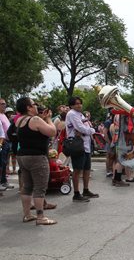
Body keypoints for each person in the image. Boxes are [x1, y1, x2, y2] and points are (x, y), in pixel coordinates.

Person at [15, 97, 57, 225]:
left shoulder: (19, 120)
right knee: (40, 188)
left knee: (27, 187)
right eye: (34, 104)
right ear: (28, 107)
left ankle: (27, 215)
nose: (36, 106)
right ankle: (41, 217)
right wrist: (49, 118)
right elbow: (52, 132)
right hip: (37, 157)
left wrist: (42, 118)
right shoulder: (35, 120)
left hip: (22, 156)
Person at [65, 96, 99, 202]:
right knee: (77, 170)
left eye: (80, 103)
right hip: (77, 145)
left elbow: (86, 126)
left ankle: (86, 190)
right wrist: (91, 130)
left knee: (87, 169)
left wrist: (87, 129)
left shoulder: (80, 114)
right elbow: (80, 128)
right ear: (71, 105)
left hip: (85, 144)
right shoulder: (71, 114)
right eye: (76, 103)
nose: (79, 105)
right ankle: (76, 193)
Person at [0, 98, 14, 191]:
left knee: (4, 163)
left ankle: (4, 181)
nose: (4, 105)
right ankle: (1, 182)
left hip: (7, 142)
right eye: (2, 104)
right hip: (3, 142)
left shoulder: (3, 115)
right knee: (1, 163)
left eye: (5, 104)